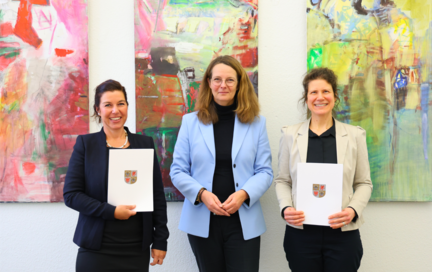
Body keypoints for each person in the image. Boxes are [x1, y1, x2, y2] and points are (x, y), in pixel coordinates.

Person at [170, 55, 273, 272]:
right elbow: (177, 171)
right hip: (202, 222)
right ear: (208, 82)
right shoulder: (190, 122)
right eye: (217, 79)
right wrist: (202, 194)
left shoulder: (257, 123)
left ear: (239, 84)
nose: (223, 85)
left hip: (243, 222)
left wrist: (244, 194)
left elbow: (264, 171)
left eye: (230, 80)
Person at [63, 80, 169, 272]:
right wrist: (111, 212)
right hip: (96, 250)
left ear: (127, 106)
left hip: (137, 250)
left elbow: (157, 196)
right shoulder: (86, 145)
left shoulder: (145, 143)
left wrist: (161, 239)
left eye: (121, 104)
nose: (115, 111)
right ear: (98, 109)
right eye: (108, 105)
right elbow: (71, 195)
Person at [274, 67, 373, 272]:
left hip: (343, 236)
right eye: (314, 92)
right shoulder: (290, 135)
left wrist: (352, 210)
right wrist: (286, 208)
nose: (320, 97)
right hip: (301, 235)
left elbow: (363, 182)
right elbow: (283, 180)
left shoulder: (354, 135)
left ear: (335, 96)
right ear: (306, 97)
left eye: (326, 91)